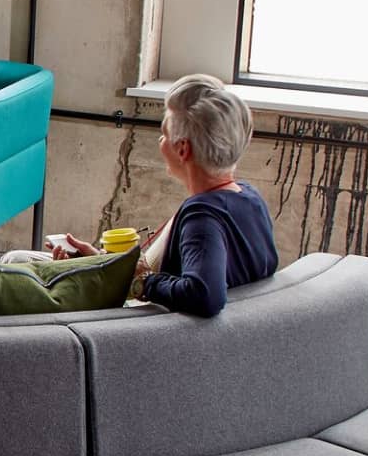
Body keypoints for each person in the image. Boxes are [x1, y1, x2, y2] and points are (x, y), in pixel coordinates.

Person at [15, 74, 278, 316]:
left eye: (163, 134)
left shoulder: (203, 218)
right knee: (18, 262)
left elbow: (205, 295)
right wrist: (102, 261)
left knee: (14, 266)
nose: (160, 142)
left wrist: (140, 284)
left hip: (135, 327)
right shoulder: (249, 199)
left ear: (183, 149)